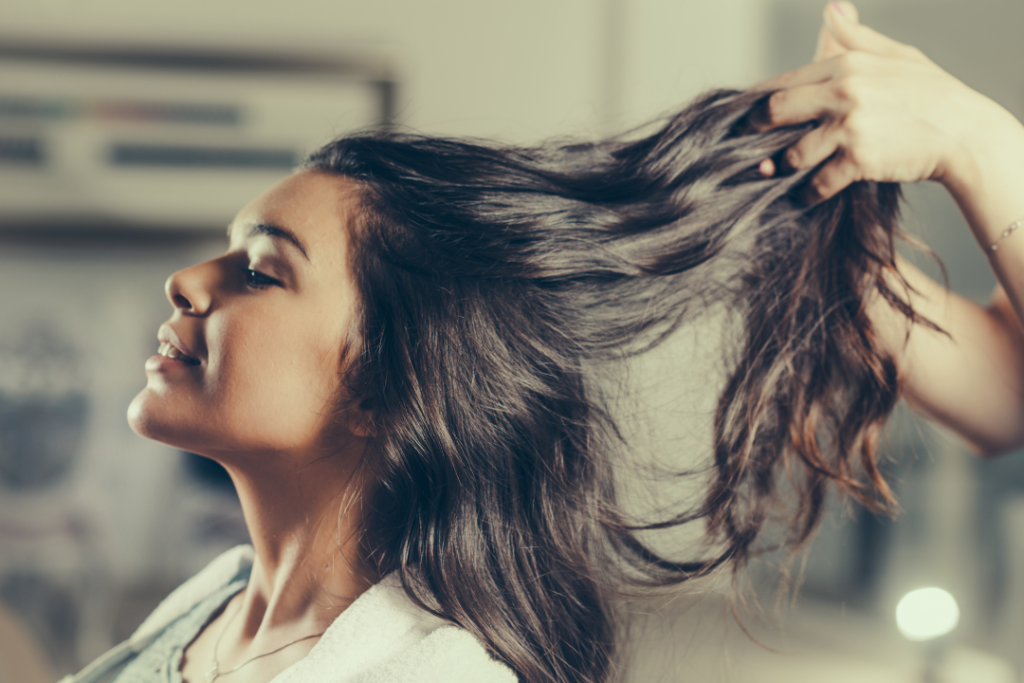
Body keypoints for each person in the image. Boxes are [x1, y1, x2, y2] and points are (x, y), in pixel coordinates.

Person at [60, 3, 1024, 683]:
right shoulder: (219, 601)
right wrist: (781, 189)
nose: (187, 281)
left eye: (264, 268)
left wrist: (978, 144)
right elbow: (1004, 396)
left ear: (389, 381)